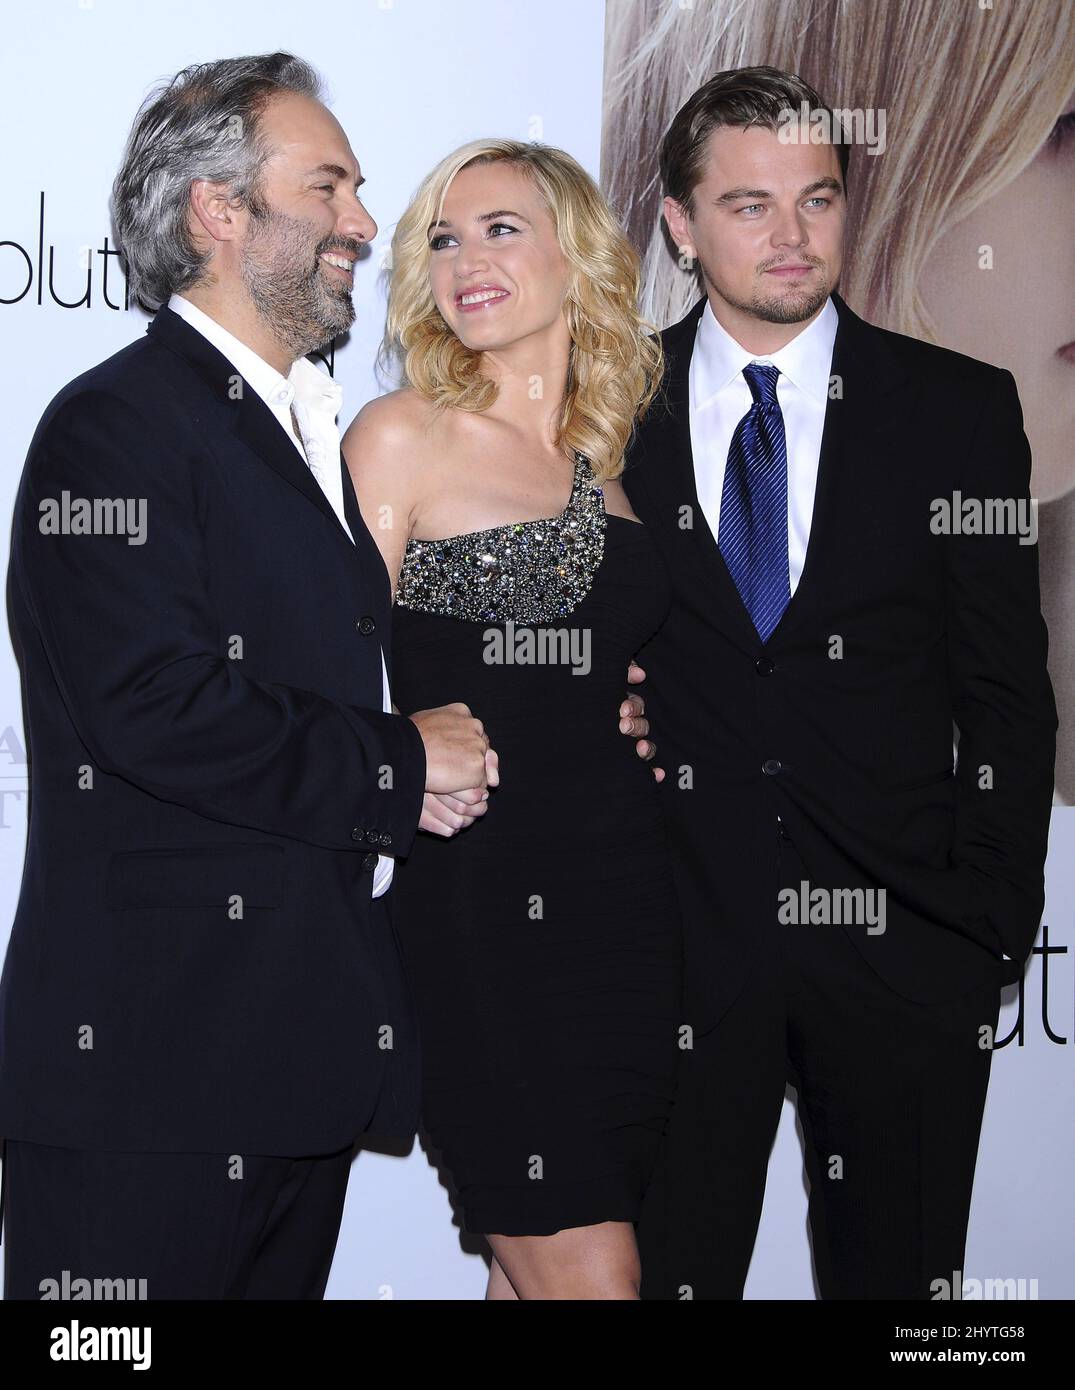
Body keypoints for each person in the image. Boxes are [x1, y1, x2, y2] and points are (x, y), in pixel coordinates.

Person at [0, 51, 493, 1300]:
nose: (365, 225)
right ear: (217, 211)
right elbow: (153, 707)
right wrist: (397, 761)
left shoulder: (301, 426)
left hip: (288, 1068)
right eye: (327, 186)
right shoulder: (111, 424)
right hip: (145, 1085)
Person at [620, 66, 1057, 1299]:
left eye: (816, 199)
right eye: (749, 204)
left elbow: (1008, 694)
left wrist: (984, 928)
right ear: (680, 222)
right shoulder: (606, 410)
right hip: (675, 951)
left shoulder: (957, 413)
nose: (792, 235)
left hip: (905, 952)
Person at [343, 138, 682, 1300]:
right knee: (595, 1276)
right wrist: (401, 740)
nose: (465, 259)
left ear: (574, 251)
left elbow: (618, 670)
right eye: (443, 236)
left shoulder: (607, 463)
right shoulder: (401, 437)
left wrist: (647, 710)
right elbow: (323, 670)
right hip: (484, 917)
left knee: (539, 1277)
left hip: (630, 916)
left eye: (499, 228)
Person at [602, 0, 1075, 801]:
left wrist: (981, 911)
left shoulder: (974, 426)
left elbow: (1010, 716)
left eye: (817, 201)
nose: (792, 233)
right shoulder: (598, 425)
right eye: (1067, 123)